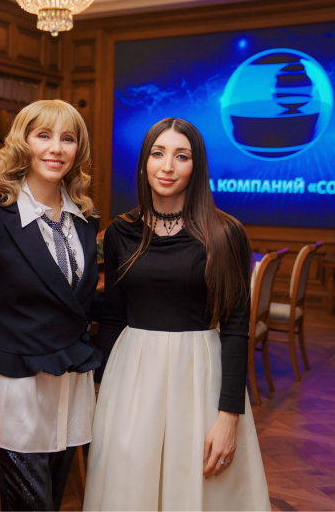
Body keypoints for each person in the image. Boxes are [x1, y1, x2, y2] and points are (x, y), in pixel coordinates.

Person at [83, 118, 271, 511]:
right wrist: (99, 391)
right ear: (144, 163)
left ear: (196, 166)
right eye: (158, 153)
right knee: (129, 487)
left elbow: (236, 327)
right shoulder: (120, 233)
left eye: (181, 156)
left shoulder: (225, 233)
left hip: (199, 376)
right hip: (131, 378)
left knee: (197, 487)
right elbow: (113, 318)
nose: (167, 166)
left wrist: (229, 416)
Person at [0, 100, 101, 511]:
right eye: (43, 135)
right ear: (23, 142)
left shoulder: (85, 218)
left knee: (55, 498)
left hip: (68, 385)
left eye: (68, 138)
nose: (56, 148)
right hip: (16, 387)